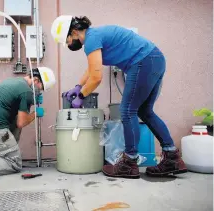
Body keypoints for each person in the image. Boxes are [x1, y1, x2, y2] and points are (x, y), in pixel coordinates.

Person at [51, 15, 187, 178]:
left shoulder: (91, 39)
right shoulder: (95, 36)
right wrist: (78, 86)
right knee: (145, 111)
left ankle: (129, 162)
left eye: (67, 41)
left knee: (127, 110)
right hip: (155, 59)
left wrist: (81, 95)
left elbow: (96, 77)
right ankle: (171, 156)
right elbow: (91, 69)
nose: (68, 45)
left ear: (73, 32)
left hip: (143, 61)